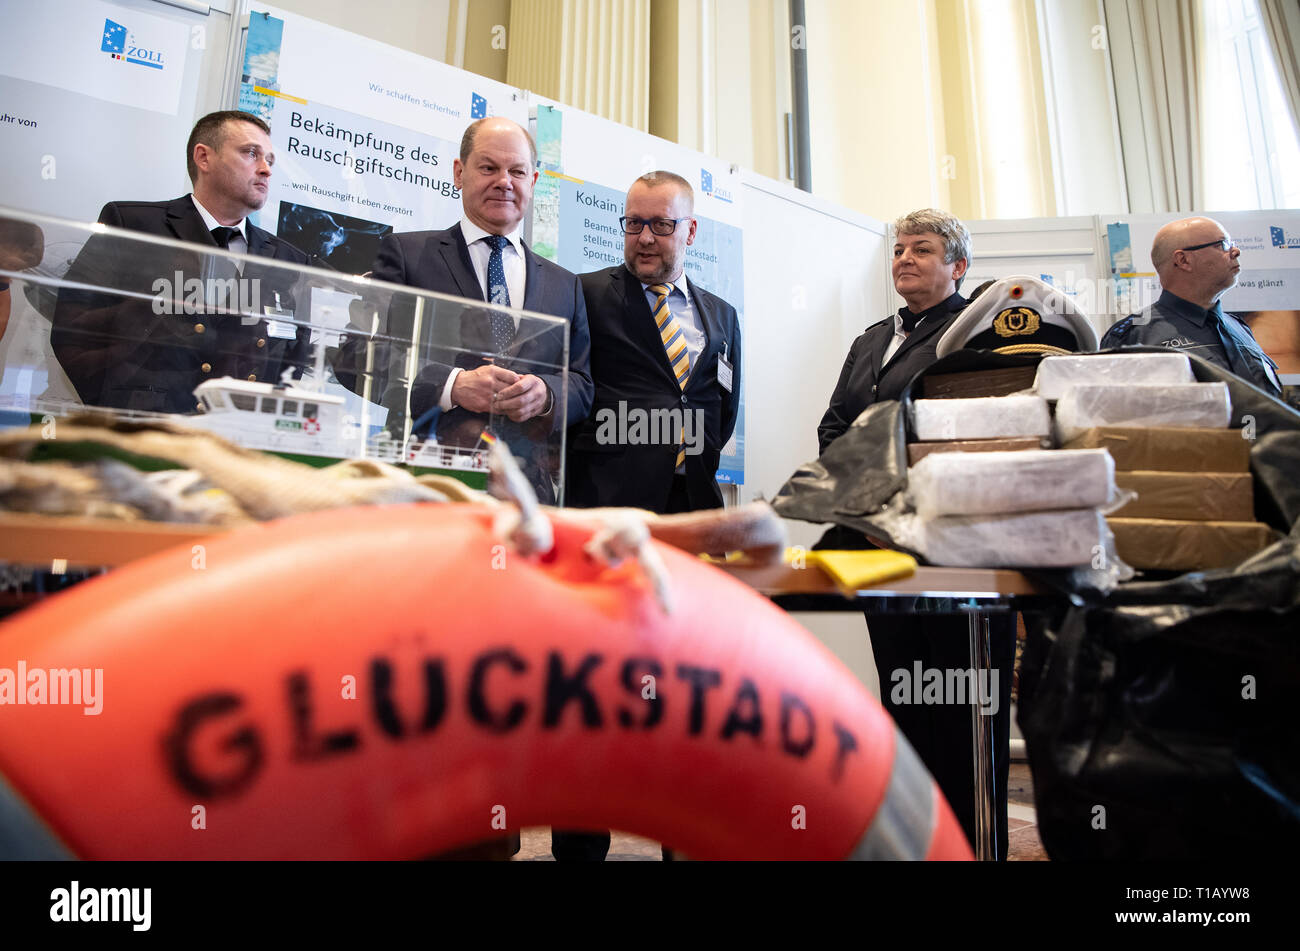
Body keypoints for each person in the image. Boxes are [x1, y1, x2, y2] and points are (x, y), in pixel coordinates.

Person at [816, 208, 1014, 860]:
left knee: (963, 715)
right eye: (899, 248)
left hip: (951, 552)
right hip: (876, 548)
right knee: (905, 698)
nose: (904, 257)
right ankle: (917, 844)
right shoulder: (872, 339)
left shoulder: (979, 336)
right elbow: (836, 427)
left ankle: (969, 847)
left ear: (958, 266)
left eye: (921, 249)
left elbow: (971, 438)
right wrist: (869, 505)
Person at [356, 116, 593, 502]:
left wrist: (546, 395)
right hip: (426, 483)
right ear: (459, 172)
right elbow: (361, 353)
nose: (504, 181)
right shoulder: (407, 255)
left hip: (525, 495)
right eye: (488, 167)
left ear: (532, 183)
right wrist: (452, 385)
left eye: (517, 171)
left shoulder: (565, 284)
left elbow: (582, 384)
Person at [50, 110, 311, 414]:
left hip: (241, 439)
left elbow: (292, 360)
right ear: (204, 158)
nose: (265, 169)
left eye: (269, 160)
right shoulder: (134, 226)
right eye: (251, 153)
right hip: (145, 432)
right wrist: (123, 410)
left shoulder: (288, 260)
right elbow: (74, 331)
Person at [568, 171, 742, 514]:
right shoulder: (584, 294)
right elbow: (572, 392)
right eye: (634, 223)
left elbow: (724, 412)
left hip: (696, 502)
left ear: (690, 231)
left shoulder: (723, 315)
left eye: (661, 225)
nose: (644, 238)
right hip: (609, 506)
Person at [1101, 216, 1282, 396]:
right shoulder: (1133, 335)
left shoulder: (1239, 327)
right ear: (1183, 260)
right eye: (1222, 245)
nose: (1236, 251)